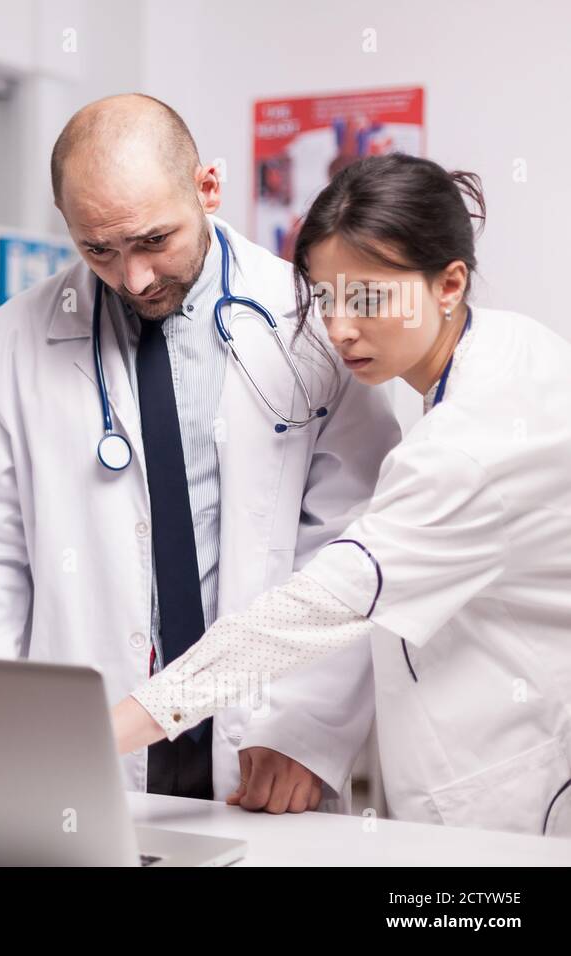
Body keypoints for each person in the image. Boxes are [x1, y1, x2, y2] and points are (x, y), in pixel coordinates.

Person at [0, 94, 401, 812]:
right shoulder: (8, 344)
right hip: (80, 753)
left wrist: (308, 729)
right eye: (98, 250)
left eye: (152, 240)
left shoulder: (310, 319)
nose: (134, 277)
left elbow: (355, 546)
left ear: (208, 187)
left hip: (264, 741)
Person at [114, 153, 571, 837]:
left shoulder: (472, 442)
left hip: (511, 797)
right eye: (324, 299)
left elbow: (321, 606)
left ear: (449, 283)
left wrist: (108, 728)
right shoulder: (511, 353)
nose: (339, 329)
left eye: (367, 299)